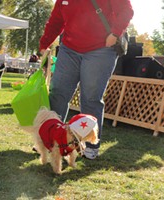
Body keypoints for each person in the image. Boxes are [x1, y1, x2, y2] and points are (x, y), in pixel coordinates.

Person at [39, 0, 134, 159]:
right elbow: (56, 20)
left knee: (90, 98)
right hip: (69, 49)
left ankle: (90, 145)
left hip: (101, 49)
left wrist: (115, 33)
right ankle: (52, 140)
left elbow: (126, 10)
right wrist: (44, 43)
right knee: (57, 93)